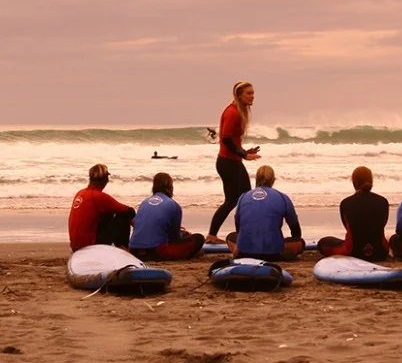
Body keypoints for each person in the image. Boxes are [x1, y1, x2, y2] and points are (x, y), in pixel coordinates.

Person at [206, 81, 261, 244]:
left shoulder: (238, 111)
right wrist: (243, 154)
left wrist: (244, 151)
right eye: (248, 93)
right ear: (239, 95)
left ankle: (240, 233)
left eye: (253, 93)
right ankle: (213, 235)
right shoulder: (233, 112)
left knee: (242, 198)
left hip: (231, 161)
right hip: (228, 162)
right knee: (235, 200)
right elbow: (227, 139)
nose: (252, 96)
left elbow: (232, 140)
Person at [225, 165, 304, 261]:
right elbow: (295, 228)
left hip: (244, 253)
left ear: (256, 179)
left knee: (230, 237)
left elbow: (239, 227)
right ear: (273, 180)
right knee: (300, 242)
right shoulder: (282, 197)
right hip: (274, 254)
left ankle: (237, 251)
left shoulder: (243, 197)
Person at [317, 166, 390, 261]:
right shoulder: (383, 201)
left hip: (354, 252)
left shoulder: (346, 203)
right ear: (371, 182)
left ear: (354, 183)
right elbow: (382, 224)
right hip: (380, 252)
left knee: (323, 243)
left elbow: (348, 227)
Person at [129, 172, 205, 261]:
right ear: (170, 187)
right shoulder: (174, 205)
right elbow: (174, 238)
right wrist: (184, 234)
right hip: (156, 251)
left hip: (133, 250)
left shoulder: (144, 202)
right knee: (198, 238)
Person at [67, 164, 136, 252]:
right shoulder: (99, 196)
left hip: (75, 246)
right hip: (89, 246)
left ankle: (122, 247)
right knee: (122, 215)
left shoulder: (80, 193)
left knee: (109, 213)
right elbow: (130, 211)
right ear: (105, 180)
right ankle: (124, 249)